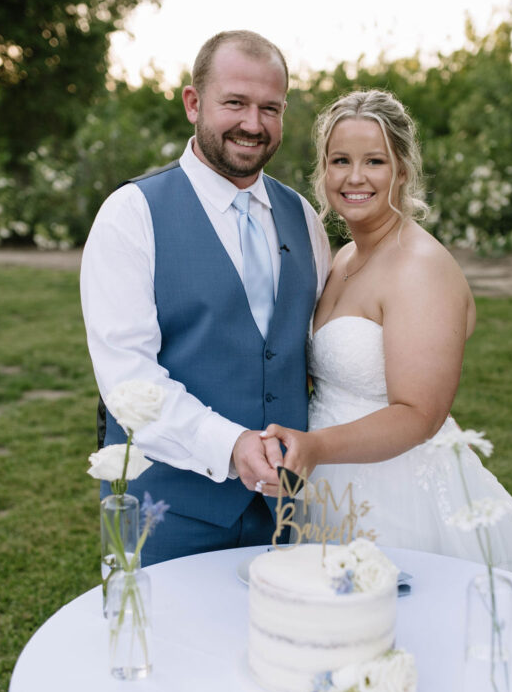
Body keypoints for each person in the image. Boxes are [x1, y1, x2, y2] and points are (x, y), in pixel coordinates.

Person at [262, 89, 512, 583]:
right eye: (340, 160)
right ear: (323, 171)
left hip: (399, 499)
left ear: (403, 170)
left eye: (374, 160)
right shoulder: (345, 258)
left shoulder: (420, 267)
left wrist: (317, 447)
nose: (354, 177)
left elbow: (420, 414)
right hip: (332, 484)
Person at [80, 30, 331, 564]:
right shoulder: (132, 215)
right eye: (235, 103)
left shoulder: (304, 219)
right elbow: (128, 380)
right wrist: (232, 444)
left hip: (287, 514)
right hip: (167, 511)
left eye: (271, 108)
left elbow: (312, 353)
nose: (253, 124)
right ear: (194, 103)